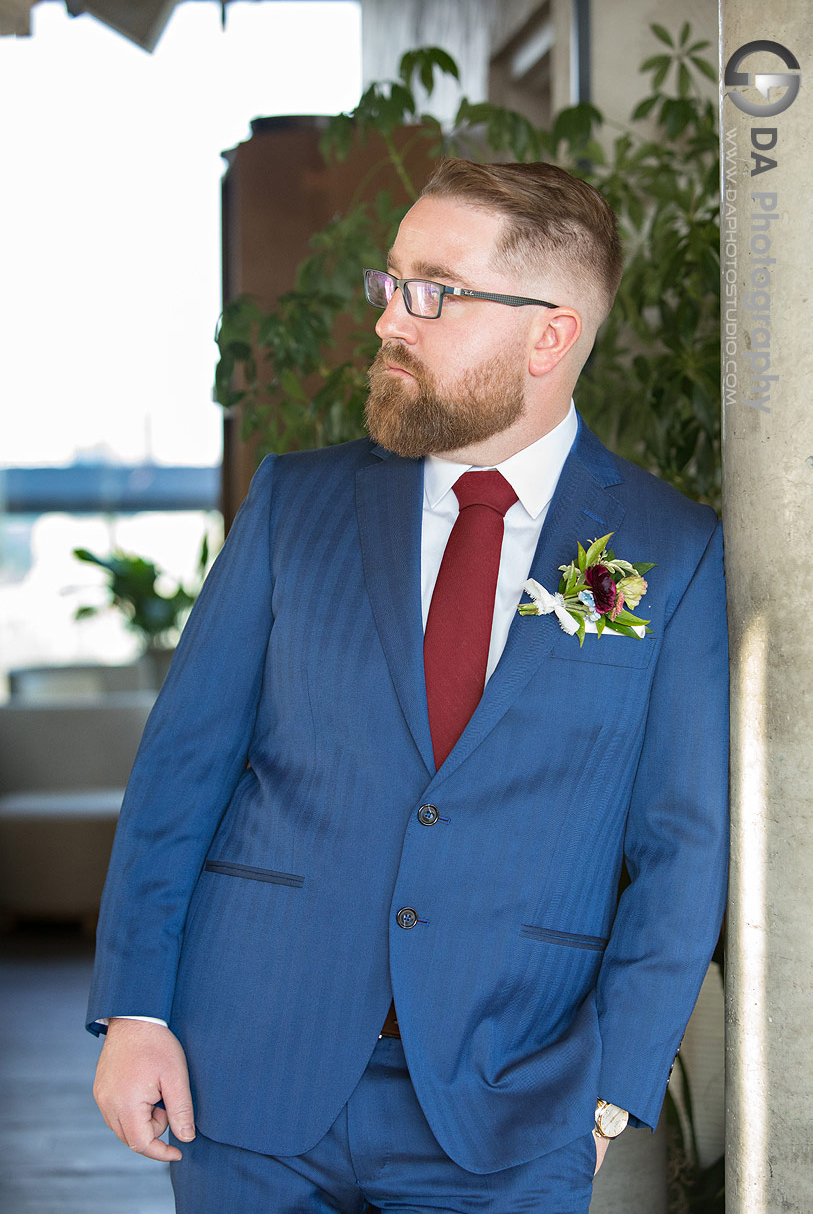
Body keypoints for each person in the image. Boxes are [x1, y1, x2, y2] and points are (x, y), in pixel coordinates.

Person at [88, 158, 729, 1213]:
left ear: (549, 333)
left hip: (511, 1106)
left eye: (433, 290)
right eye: (390, 283)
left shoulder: (672, 550)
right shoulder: (297, 503)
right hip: (249, 1078)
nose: (392, 318)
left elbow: (681, 847)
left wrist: (614, 1090)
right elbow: (180, 773)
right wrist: (135, 1012)